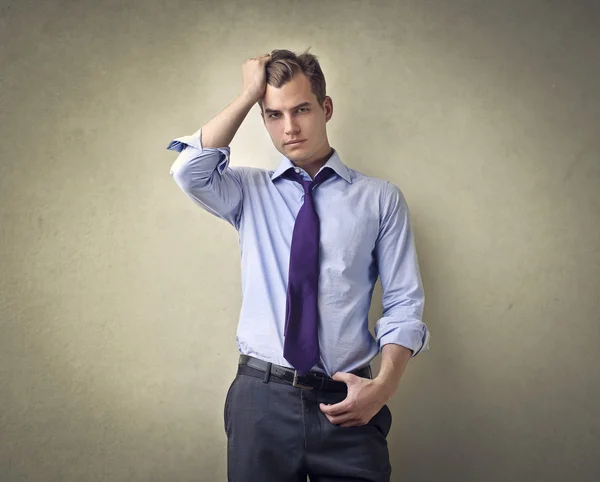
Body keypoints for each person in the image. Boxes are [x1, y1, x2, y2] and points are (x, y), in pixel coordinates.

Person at [166, 48, 430, 482]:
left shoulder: (380, 199)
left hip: (349, 403)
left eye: (301, 109)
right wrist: (249, 93)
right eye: (273, 115)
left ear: (325, 108)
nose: (289, 128)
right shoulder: (246, 192)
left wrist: (382, 389)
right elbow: (188, 171)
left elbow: (403, 303)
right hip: (261, 403)